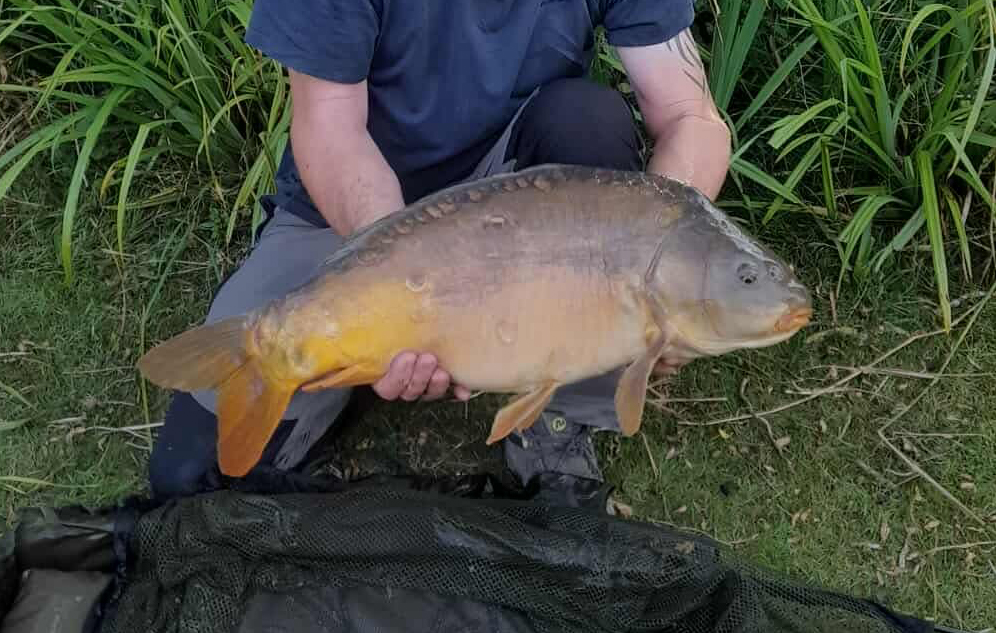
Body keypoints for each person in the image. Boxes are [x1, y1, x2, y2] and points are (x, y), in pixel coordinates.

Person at [147, 0, 732, 502]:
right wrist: (409, 288)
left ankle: (561, 413)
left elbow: (691, 116)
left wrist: (661, 264)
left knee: (589, 120)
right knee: (192, 477)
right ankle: (360, 363)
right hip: (351, 216)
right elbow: (330, 131)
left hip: (520, 206)